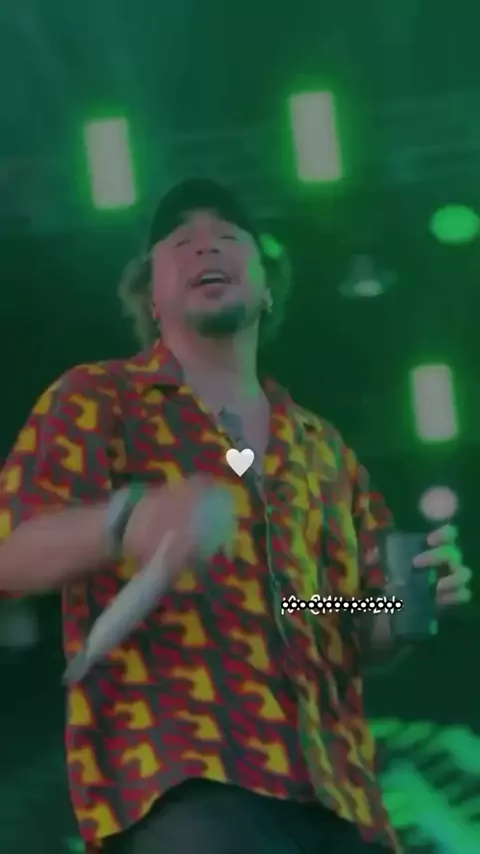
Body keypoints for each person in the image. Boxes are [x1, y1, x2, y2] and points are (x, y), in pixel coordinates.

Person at [0, 179, 471, 854]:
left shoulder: (320, 449)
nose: (206, 247)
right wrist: (128, 519)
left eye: (226, 237)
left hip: (336, 795)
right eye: (181, 243)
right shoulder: (98, 400)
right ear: (150, 296)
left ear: (269, 286)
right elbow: (9, 554)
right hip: (184, 781)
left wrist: (402, 607)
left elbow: (326, 612)